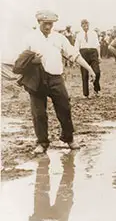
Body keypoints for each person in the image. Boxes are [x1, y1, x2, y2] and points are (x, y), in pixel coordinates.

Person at [20, 10, 96, 154]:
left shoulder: (59, 38)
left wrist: (89, 69)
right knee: (39, 113)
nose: (48, 27)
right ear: (38, 22)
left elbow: (74, 55)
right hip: (36, 79)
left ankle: (69, 138)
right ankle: (42, 142)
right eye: (45, 24)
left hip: (55, 77)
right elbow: (20, 61)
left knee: (64, 108)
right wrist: (32, 61)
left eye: (50, 24)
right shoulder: (29, 38)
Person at [75, 19, 101, 98]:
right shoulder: (79, 34)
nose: (85, 26)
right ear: (81, 26)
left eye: (86, 24)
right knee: (84, 74)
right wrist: (77, 57)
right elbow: (76, 47)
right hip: (83, 53)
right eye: (83, 24)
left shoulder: (93, 33)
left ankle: (96, 89)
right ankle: (85, 94)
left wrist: (99, 56)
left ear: (89, 25)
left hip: (93, 52)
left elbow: (97, 45)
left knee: (97, 72)